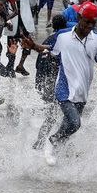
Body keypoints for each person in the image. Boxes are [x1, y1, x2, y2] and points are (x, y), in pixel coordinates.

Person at [21, 1, 97, 165]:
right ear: (79, 17)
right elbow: (48, 49)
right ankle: (52, 140)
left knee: (68, 124)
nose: (90, 26)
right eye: (86, 22)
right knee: (75, 123)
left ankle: (57, 149)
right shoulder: (63, 35)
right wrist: (33, 46)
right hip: (64, 89)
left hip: (83, 91)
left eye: (93, 23)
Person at [33, 14, 67, 150]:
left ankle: (40, 140)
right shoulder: (64, 40)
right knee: (62, 114)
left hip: (48, 81)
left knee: (52, 113)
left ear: (53, 25)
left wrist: (39, 83)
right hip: (59, 82)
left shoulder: (48, 40)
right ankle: (58, 141)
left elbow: (39, 63)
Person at [3, 0, 35, 77]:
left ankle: (20, 65)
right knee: (12, 47)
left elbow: (34, 3)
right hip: (12, 24)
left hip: (24, 24)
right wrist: (6, 21)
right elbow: (3, 10)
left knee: (28, 45)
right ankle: (10, 68)